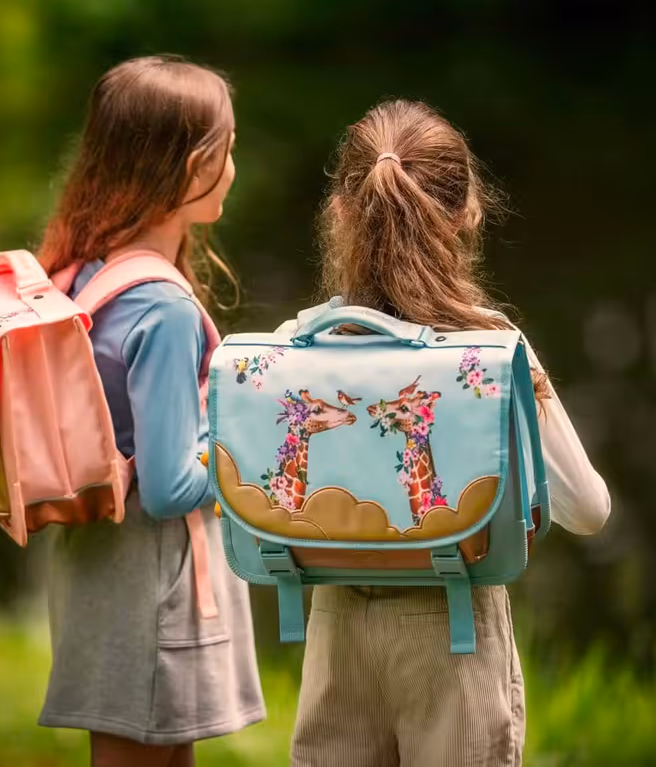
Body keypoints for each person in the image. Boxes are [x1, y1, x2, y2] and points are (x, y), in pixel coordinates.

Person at [287, 99, 611, 767]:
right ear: (469, 214)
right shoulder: (492, 349)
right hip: (453, 636)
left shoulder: (301, 343)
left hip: (335, 628)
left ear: (341, 213)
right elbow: (587, 510)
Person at [35, 55, 264, 767]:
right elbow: (169, 487)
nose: (232, 166)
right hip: (152, 583)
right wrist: (243, 438)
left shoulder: (88, 270)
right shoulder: (161, 308)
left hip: (99, 568)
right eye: (227, 150)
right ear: (194, 164)